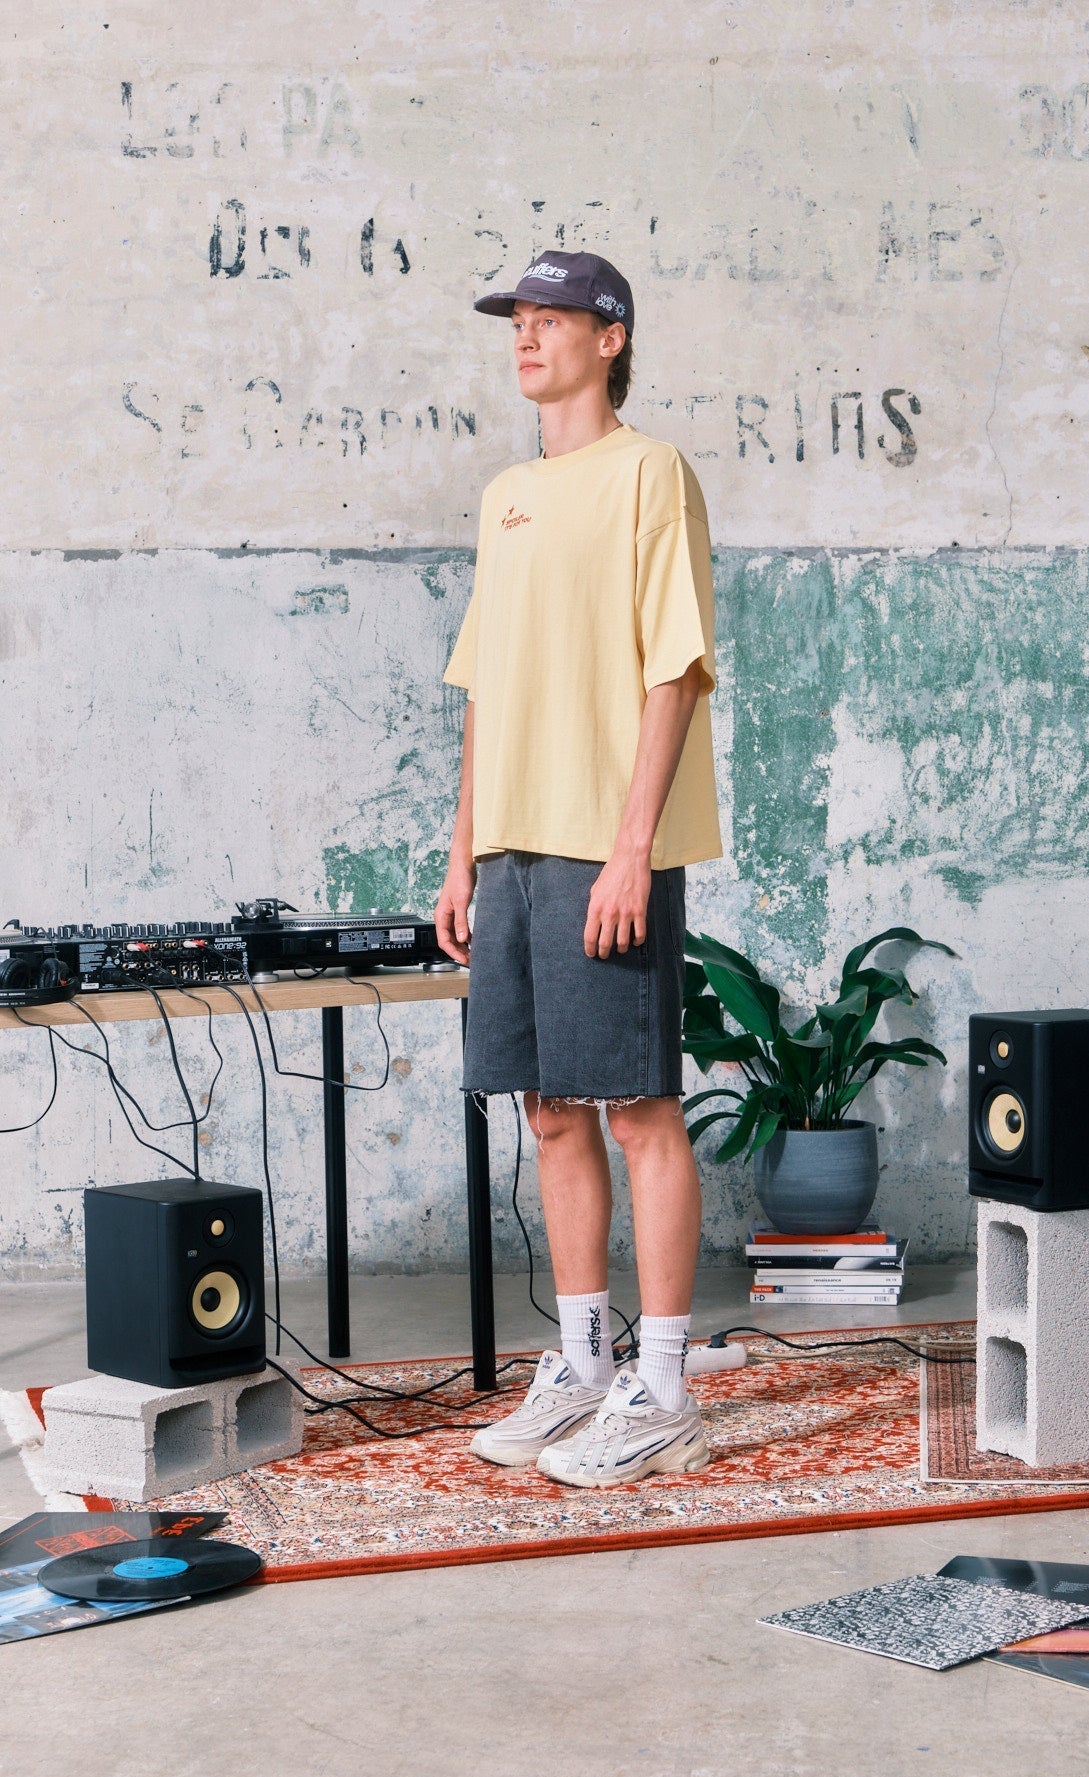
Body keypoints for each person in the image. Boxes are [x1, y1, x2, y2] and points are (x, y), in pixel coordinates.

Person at [435, 249, 722, 1488]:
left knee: (636, 1106)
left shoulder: (652, 473)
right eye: (518, 319)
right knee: (548, 1110)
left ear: (611, 338)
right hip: (511, 846)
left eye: (551, 319)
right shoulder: (505, 495)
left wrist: (632, 850)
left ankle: (665, 1390)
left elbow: (676, 670)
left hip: (606, 845)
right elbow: (483, 687)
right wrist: (461, 854)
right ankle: (586, 1365)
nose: (526, 335)